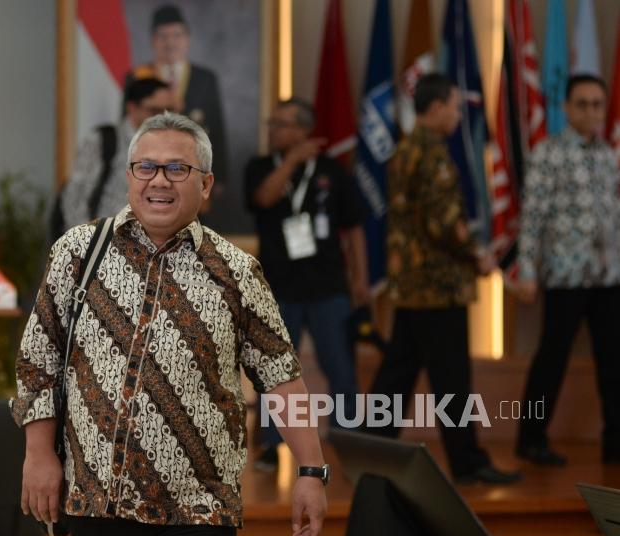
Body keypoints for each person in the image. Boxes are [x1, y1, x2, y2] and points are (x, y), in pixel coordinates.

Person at [12, 112, 328, 536]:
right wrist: (38, 453)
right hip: (98, 504)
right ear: (129, 176)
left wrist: (311, 471)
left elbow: (281, 378)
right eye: (147, 167)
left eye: (178, 169)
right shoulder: (78, 252)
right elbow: (38, 361)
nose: (159, 181)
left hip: (198, 513)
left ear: (205, 184)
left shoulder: (237, 273)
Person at [369, 73, 521, 484]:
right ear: (435, 108)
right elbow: (444, 221)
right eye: (455, 106)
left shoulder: (404, 150)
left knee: (396, 374)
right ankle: (468, 462)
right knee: (452, 380)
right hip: (439, 288)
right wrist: (478, 256)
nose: (457, 114)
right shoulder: (433, 153)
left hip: (411, 285)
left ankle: (369, 448)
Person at [244, 98, 369, 472]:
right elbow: (264, 197)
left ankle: (349, 437)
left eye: (281, 124)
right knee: (274, 369)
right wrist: (292, 162)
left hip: (328, 286)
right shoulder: (261, 167)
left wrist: (360, 277)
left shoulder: (331, 170)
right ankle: (269, 444)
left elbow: (355, 226)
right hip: (277, 288)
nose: (273, 130)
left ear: (302, 130)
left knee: (340, 367)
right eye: (272, 123)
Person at [515, 74, 620, 466]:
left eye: (597, 104)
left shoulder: (608, 154)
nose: (591, 111)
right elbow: (533, 217)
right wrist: (526, 270)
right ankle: (530, 437)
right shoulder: (548, 153)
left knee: (613, 361)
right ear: (567, 108)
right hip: (565, 276)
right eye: (583, 104)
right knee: (552, 357)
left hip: (608, 276)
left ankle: (615, 441)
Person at [125, 4, 227, 185]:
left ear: (187, 39)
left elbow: (217, 129)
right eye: (163, 36)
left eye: (177, 35)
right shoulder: (137, 77)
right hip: (148, 171)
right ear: (153, 40)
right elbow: (126, 126)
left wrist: (219, 178)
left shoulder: (205, 78)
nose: (170, 42)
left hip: (194, 171)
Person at [61, 78, 174, 230]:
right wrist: (86, 244)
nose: (163, 118)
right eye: (154, 110)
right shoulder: (102, 141)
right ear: (132, 108)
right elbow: (75, 197)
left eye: (169, 111)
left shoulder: (171, 147)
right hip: (104, 243)